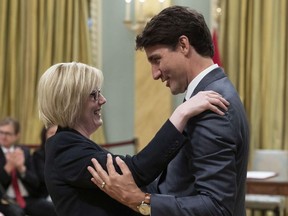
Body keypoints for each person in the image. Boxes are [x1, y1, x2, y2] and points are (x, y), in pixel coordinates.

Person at [87, 5, 249, 216]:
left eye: (157, 59)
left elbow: (216, 208)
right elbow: (177, 184)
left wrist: (139, 199)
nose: (155, 74)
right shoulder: (209, 93)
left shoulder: (213, 107)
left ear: (183, 45)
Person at [37, 61, 229, 216]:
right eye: (94, 95)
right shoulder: (65, 147)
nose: (103, 100)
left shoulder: (72, 143)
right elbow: (137, 171)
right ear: (72, 103)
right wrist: (181, 114)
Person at [0, 117, 57, 216]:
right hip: (5, 199)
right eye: (1, 132)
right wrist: (8, 168)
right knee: (16, 213)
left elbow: (35, 183)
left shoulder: (24, 152)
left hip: (26, 198)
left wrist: (22, 169)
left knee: (55, 209)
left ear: (17, 135)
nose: (3, 136)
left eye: (8, 133)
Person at [33, 125, 57, 199]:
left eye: (57, 133)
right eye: (51, 133)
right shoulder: (39, 154)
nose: (55, 136)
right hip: (45, 194)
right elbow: (44, 177)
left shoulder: (67, 153)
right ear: (44, 135)